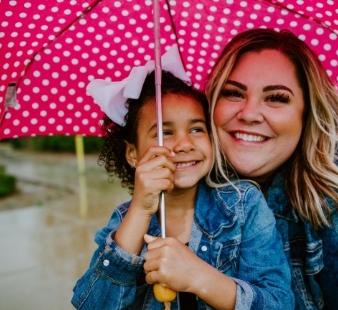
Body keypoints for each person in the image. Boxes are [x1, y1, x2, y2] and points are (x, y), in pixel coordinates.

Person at [71, 45, 294, 309]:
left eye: (197, 129)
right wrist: (141, 211)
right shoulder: (123, 221)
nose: (185, 144)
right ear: (133, 154)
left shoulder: (244, 206)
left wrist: (198, 277)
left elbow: (278, 302)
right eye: (165, 133)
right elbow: (92, 304)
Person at [205, 29, 338, 309]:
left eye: (276, 97)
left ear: (307, 110)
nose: (249, 114)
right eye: (233, 93)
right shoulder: (201, 177)